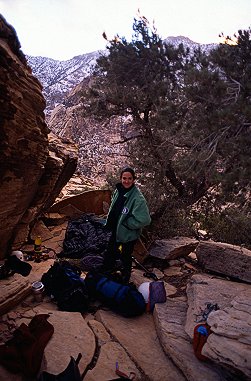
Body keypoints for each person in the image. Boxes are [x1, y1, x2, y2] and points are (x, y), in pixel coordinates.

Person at [103, 167, 151, 283]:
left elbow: (145, 219)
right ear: (121, 178)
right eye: (124, 178)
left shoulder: (137, 198)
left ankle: (125, 278)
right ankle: (106, 276)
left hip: (128, 233)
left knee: (125, 255)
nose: (126, 181)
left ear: (134, 180)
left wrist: (128, 224)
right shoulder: (119, 190)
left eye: (130, 178)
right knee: (110, 252)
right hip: (116, 229)